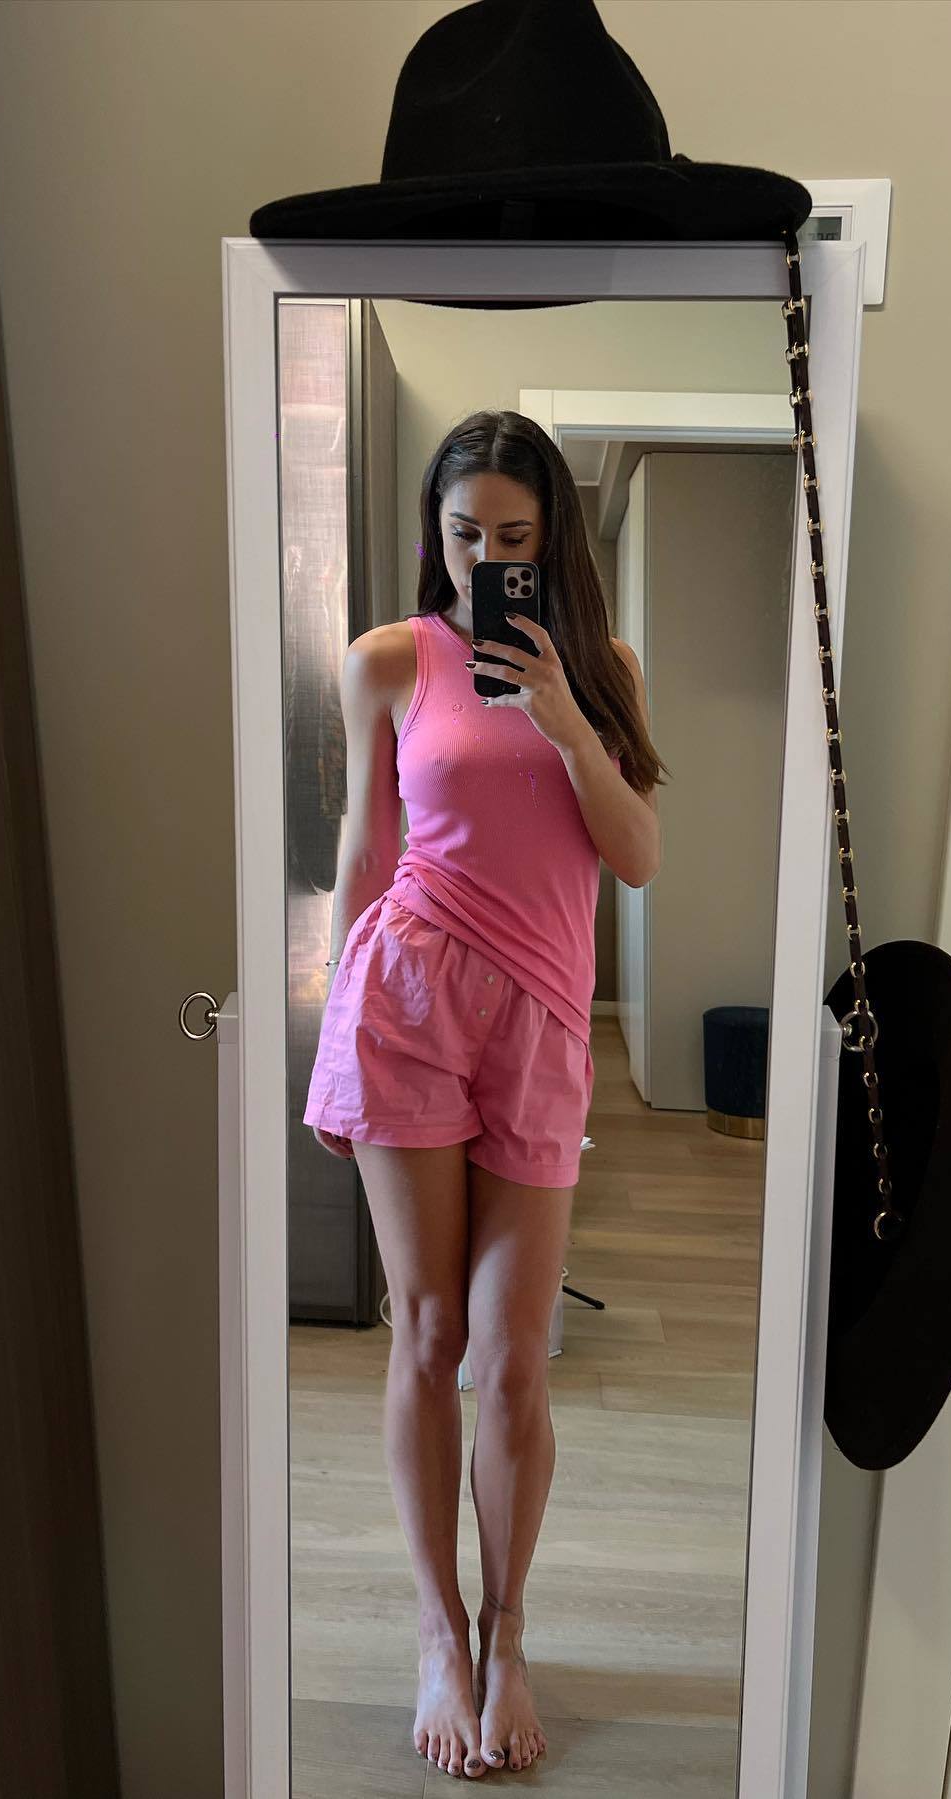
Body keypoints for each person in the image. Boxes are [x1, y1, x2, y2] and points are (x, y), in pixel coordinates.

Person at [303, 408, 666, 1779]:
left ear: (552, 538)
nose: (486, 560)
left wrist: (568, 719)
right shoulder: (389, 660)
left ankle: (510, 1634)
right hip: (405, 1000)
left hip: (543, 1022)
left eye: (514, 536)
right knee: (428, 1329)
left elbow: (636, 857)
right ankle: (439, 1634)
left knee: (515, 1356)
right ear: (435, 533)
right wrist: (332, 1044)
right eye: (465, 535)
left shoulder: (608, 670)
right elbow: (364, 856)